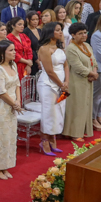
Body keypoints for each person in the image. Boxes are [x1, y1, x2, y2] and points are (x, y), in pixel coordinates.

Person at [0, 41, 21, 180]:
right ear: (2, 52)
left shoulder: (13, 65)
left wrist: (18, 101)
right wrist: (14, 103)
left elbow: (17, 85)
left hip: (12, 105)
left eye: (14, 50)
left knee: (9, 136)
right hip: (0, 106)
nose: (14, 53)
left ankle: (5, 165)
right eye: (11, 50)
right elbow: (1, 92)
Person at [36, 22, 67, 155]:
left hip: (61, 84)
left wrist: (67, 82)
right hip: (48, 85)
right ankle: (44, 141)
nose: (61, 33)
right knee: (48, 113)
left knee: (59, 111)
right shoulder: (44, 49)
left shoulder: (60, 47)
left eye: (61, 30)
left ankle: (52, 138)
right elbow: (49, 71)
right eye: (58, 30)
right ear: (50, 32)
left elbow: (66, 66)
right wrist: (61, 84)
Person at [63, 22, 97, 138]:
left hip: (88, 80)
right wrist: (92, 74)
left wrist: (95, 72)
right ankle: (74, 133)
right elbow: (78, 67)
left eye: (85, 33)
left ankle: (83, 130)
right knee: (77, 107)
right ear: (73, 35)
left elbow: (94, 61)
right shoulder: (71, 48)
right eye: (80, 33)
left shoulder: (87, 46)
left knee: (86, 106)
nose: (84, 35)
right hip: (76, 81)